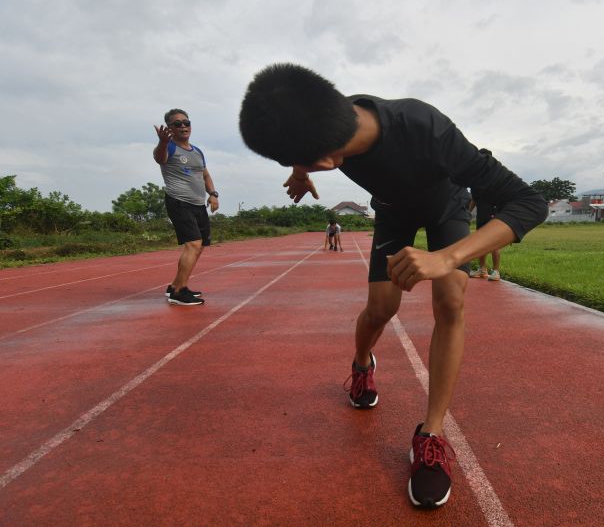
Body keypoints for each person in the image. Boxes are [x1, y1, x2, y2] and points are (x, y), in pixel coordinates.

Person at [238, 63, 547, 508]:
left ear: (326, 158)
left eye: (305, 164)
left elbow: (529, 203)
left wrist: (448, 258)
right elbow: (299, 133)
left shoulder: (426, 128)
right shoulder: (326, 117)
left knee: (451, 298)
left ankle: (431, 434)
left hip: (447, 208)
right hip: (392, 212)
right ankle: (363, 363)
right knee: (382, 309)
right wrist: (300, 173)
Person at [153, 108, 219, 306]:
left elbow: (205, 175)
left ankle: (175, 285)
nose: (183, 126)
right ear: (170, 128)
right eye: (177, 124)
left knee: (199, 247)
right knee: (193, 244)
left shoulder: (197, 151)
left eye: (186, 122)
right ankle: (179, 293)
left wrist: (213, 194)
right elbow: (159, 157)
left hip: (199, 204)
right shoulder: (170, 147)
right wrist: (163, 142)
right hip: (179, 202)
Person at [468, 149, 502, 281]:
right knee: (481, 243)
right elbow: (474, 199)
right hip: (481, 215)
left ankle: (496, 271)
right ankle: (482, 269)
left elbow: (502, 197)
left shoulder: (497, 176)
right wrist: (468, 213)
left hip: (494, 214)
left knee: (494, 244)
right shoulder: (476, 179)